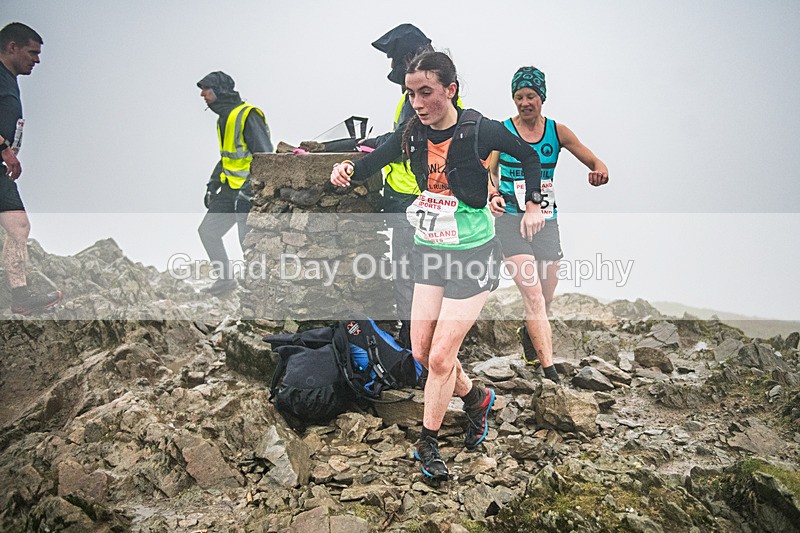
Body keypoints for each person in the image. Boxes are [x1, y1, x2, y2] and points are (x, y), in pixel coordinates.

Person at [331, 52, 545, 483]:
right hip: (429, 250)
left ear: (450, 89)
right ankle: (478, 398)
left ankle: (427, 443)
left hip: (473, 255)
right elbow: (375, 159)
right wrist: (348, 167)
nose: (418, 102)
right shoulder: (411, 132)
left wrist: (534, 204)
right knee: (423, 352)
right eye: (411, 94)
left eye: (426, 92)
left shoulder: (478, 129)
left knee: (444, 355)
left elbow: (528, 154)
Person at [488, 66, 609, 375]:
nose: (524, 103)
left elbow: (595, 161)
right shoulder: (502, 131)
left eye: (530, 96)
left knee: (546, 296)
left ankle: (528, 336)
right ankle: (549, 371)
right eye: (518, 97)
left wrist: (598, 171)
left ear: (542, 98)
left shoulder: (558, 132)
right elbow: (488, 170)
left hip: (546, 219)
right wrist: (492, 194)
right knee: (533, 294)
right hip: (510, 219)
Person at [367, 23, 434, 347]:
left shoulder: (420, 97)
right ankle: (419, 343)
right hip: (418, 196)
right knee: (421, 274)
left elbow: (401, 141)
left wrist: (361, 162)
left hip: (412, 197)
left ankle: (413, 348)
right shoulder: (430, 90)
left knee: (409, 276)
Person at [0, 22, 61, 315]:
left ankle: (21, 297)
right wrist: (4, 148)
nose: (37, 60)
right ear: (12, 47)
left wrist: (9, 153)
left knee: (19, 226)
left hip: (1, 167)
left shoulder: (10, 80)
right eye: (32, 52)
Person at [196, 71, 273, 295]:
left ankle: (259, 290)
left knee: (247, 241)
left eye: (206, 89)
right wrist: (212, 184)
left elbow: (265, 157)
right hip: (230, 189)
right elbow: (227, 156)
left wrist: (249, 190)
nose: (202, 94)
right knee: (208, 231)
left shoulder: (248, 115)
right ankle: (225, 281)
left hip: (249, 192)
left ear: (220, 90)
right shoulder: (224, 118)